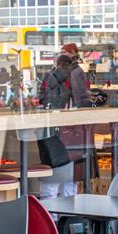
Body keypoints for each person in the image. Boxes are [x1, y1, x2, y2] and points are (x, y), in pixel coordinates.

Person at [36, 43, 92, 195]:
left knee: (53, 176)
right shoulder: (76, 74)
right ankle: (66, 209)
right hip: (71, 130)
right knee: (69, 180)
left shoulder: (51, 76)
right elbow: (82, 100)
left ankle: (49, 210)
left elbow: (43, 99)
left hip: (53, 129)